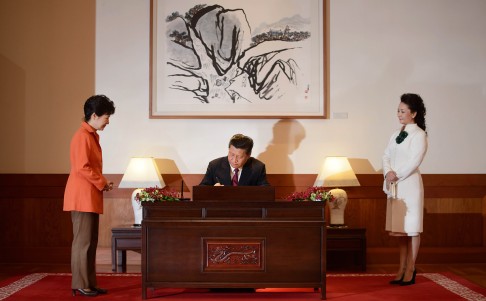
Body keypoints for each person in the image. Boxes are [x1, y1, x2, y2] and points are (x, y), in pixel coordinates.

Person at [63, 95, 116, 297]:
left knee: (89, 242)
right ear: (94, 115)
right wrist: (102, 182)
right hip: (81, 197)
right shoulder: (82, 136)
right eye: (106, 117)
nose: (108, 121)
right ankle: (80, 284)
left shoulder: (90, 134)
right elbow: (82, 167)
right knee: (82, 243)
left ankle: (89, 283)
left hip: (89, 196)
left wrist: (102, 183)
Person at [382, 93, 428, 286]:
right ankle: (400, 268)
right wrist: (388, 173)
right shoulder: (395, 134)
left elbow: (415, 160)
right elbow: (385, 155)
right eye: (398, 111)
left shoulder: (419, 135)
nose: (399, 114)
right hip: (395, 186)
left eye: (403, 111)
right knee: (400, 231)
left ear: (414, 113)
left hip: (409, 185)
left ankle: (411, 268)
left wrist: (396, 174)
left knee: (412, 229)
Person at [200, 133, 269, 186]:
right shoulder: (214, 165)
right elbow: (201, 190)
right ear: (229, 150)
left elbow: (266, 192)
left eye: (239, 157)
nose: (234, 160)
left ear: (248, 155)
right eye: (232, 154)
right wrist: (212, 190)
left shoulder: (258, 167)